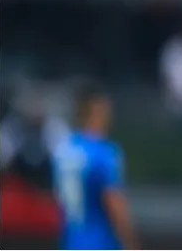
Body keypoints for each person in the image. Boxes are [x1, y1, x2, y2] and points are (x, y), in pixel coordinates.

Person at [52, 82, 139, 250]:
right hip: (100, 243)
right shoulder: (103, 153)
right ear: (97, 110)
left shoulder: (62, 150)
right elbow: (114, 203)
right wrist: (132, 245)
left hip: (70, 242)